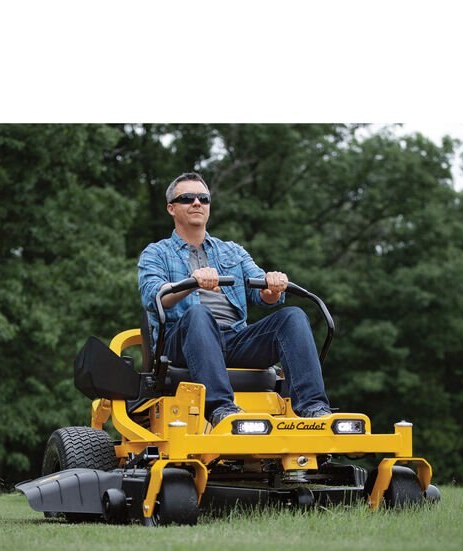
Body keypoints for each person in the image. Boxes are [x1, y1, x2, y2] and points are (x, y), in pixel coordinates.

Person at [138, 172, 331, 428]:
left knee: (293, 317)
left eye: (203, 198)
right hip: (182, 342)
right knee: (199, 314)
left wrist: (272, 286)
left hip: (234, 339)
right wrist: (192, 282)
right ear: (171, 208)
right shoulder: (156, 253)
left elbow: (263, 294)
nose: (196, 203)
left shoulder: (232, 251)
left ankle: (314, 408)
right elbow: (154, 296)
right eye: (187, 198)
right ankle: (222, 409)